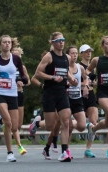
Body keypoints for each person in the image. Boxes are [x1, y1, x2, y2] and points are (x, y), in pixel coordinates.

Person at [33, 31, 76, 162]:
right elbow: (38, 73)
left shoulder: (67, 58)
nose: (61, 42)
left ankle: (64, 152)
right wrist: (52, 77)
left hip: (62, 92)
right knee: (50, 126)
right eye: (58, 40)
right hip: (49, 92)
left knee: (65, 121)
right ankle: (37, 123)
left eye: (63, 39)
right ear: (52, 43)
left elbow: (66, 71)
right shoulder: (48, 56)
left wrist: (72, 79)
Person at [0, 35, 30, 162]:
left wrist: (22, 81)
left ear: (11, 45)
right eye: (4, 42)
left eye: (9, 42)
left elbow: (23, 76)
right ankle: (10, 153)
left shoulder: (16, 59)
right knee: (9, 123)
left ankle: (2, 120)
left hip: (13, 95)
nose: (7, 44)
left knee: (15, 127)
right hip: (0, 93)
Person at [78, 44, 99, 158]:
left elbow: (94, 82)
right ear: (81, 54)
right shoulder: (78, 66)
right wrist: (84, 84)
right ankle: (64, 147)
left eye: (90, 51)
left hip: (90, 95)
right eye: (86, 51)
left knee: (94, 123)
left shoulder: (94, 67)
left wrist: (95, 84)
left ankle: (88, 149)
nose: (88, 53)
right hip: (79, 94)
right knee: (73, 123)